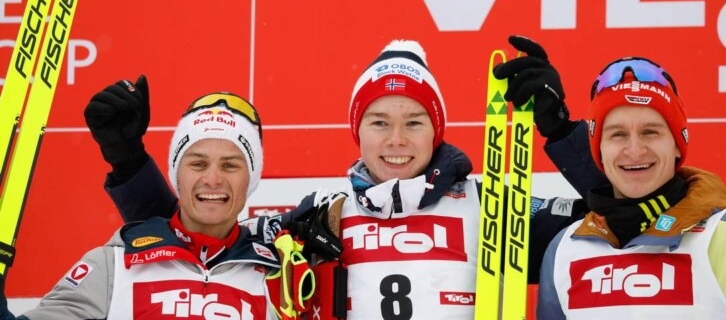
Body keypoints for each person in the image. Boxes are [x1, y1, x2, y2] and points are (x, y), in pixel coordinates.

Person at [83, 37, 604, 318]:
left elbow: (613, 221)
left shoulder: (494, 209)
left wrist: (561, 131)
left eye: (413, 122)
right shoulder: (321, 218)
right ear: (358, 133)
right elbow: (192, 232)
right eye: (379, 123)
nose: (396, 140)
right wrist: (128, 162)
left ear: (436, 131)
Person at [536, 57, 726, 319]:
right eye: (618, 134)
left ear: (676, 144)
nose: (635, 150)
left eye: (651, 132)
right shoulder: (564, 250)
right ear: (599, 151)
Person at [0, 88, 285, 319]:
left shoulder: (276, 281)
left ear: (251, 178)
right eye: (198, 164)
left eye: (230, 165)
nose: (212, 179)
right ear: (177, 174)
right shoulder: (113, 266)